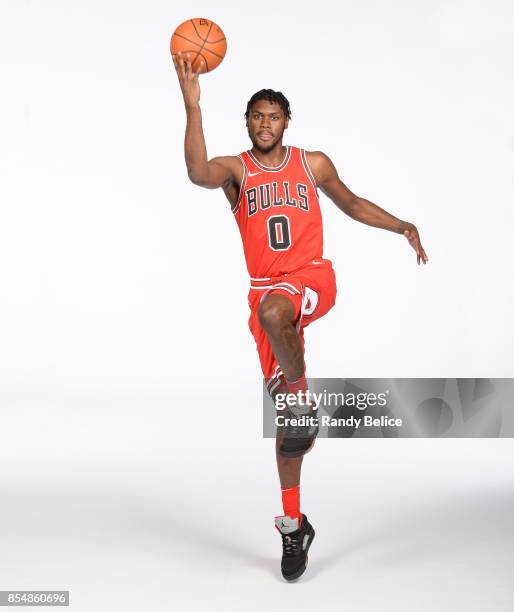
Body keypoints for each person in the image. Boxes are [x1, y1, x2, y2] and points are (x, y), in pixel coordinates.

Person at [172, 51, 428, 581]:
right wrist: (191, 104)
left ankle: (296, 398)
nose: (265, 124)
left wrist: (402, 225)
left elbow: (352, 203)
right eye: (257, 116)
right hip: (266, 300)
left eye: (274, 116)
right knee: (288, 433)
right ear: (246, 122)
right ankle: (294, 525)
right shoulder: (235, 172)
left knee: (276, 322)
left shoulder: (312, 164)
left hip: (311, 278)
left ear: (287, 122)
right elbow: (198, 171)